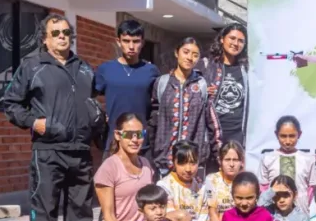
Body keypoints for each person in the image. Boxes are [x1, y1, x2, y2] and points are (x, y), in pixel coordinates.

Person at [3, 13, 104, 221]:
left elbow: (91, 105)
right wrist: (33, 122)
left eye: (66, 32)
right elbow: (11, 103)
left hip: (80, 151)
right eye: (56, 33)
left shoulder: (84, 68)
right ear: (45, 39)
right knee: (45, 207)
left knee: (80, 208)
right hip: (47, 152)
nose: (62, 37)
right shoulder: (32, 66)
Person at [149, 37, 221, 178]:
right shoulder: (162, 83)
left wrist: (218, 152)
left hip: (193, 162)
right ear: (177, 53)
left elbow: (212, 122)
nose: (190, 58)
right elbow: (153, 120)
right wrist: (154, 151)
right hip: (165, 161)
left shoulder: (202, 85)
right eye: (186, 52)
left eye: (195, 55)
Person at [95, 19, 160, 157]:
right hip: (113, 141)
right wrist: (101, 116)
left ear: (142, 43)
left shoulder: (151, 71)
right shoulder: (105, 70)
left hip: (141, 142)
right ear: (118, 42)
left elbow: (158, 103)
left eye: (136, 41)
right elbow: (91, 97)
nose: (131, 46)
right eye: (126, 41)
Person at [201, 23, 249, 147]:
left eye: (240, 41)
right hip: (211, 133)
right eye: (232, 38)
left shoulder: (246, 69)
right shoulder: (206, 66)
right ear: (222, 39)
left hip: (238, 133)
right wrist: (203, 90)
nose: (236, 43)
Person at [258, 116, 316, 215]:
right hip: (274, 216)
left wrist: (301, 205)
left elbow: (311, 190)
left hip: (300, 215)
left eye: (292, 136)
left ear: (299, 134)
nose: (288, 141)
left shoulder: (308, 159)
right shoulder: (268, 159)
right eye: (283, 136)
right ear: (276, 135)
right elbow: (263, 189)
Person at [203, 140, 246, 216]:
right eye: (227, 160)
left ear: (241, 162)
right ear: (220, 161)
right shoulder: (211, 180)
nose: (231, 164)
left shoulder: (246, 181)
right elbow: (211, 210)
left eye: (235, 160)